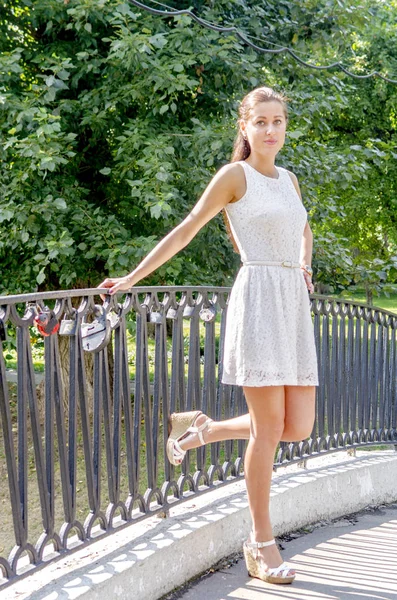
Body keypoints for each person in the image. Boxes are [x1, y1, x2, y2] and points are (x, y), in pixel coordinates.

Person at [99, 86, 319, 585]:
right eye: (260, 121)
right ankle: (262, 544)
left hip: (292, 305)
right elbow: (186, 229)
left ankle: (203, 429)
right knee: (268, 432)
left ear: (285, 126)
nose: (269, 130)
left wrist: (304, 264)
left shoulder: (290, 180)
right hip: (260, 300)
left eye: (278, 121)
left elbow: (302, 229)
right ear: (244, 126)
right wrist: (133, 277)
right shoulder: (233, 177)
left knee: (298, 426)